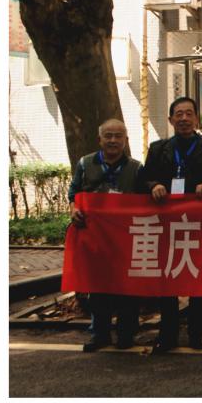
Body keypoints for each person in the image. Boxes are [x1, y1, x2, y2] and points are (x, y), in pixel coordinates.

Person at [140, 96, 202, 353]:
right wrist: (154, 185)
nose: (184, 118)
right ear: (170, 119)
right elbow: (144, 178)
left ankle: (197, 333)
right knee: (168, 278)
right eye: (179, 114)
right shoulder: (158, 149)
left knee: (197, 278)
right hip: (167, 223)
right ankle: (167, 334)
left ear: (197, 118)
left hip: (199, 223)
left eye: (189, 114)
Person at [68, 119, 143, 352]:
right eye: (108, 136)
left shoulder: (136, 168)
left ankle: (126, 333)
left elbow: (143, 201)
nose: (113, 140)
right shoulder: (85, 164)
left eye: (118, 136)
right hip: (95, 237)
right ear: (99, 139)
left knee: (126, 287)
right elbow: (73, 193)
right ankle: (100, 334)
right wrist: (74, 209)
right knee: (97, 287)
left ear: (125, 140)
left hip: (125, 238)